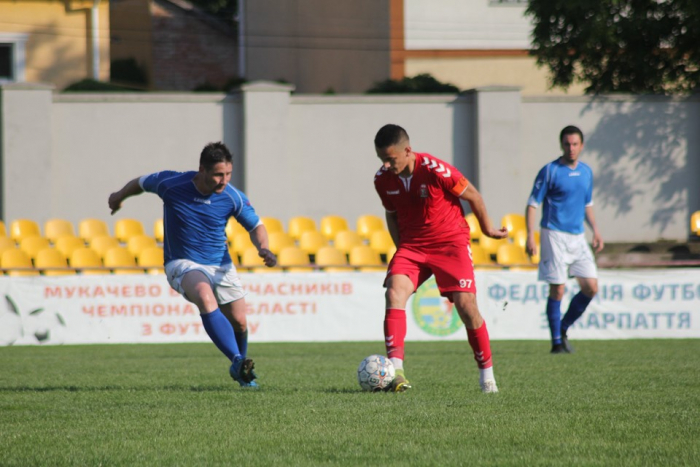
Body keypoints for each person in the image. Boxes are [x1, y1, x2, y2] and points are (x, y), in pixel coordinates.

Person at [108, 142, 277, 387]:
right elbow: (140, 182)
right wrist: (118, 196)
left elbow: (256, 226)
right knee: (204, 296)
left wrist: (264, 248)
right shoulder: (171, 183)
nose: (224, 180)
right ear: (202, 170)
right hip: (182, 262)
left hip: (220, 265)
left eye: (228, 174)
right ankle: (238, 360)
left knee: (239, 321)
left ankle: (242, 374)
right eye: (219, 174)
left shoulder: (232, 196)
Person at [373, 124, 508, 394]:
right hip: (413, 246)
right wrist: (402, 249)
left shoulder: (437, 170)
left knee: (466, 306)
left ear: (408, 151)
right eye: (382, 160)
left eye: (391, 159)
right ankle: (396, 372)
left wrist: (487, 229)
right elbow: (391, 214)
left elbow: (474, 197)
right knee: (394, 293)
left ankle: (487, 377)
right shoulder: (382, 179)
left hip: (450, 243)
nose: (386, 165)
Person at [525, 125, 604, 354]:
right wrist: (531, 235)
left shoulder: (587, 172)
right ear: (562, 145)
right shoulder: (550, 170)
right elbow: (532, 204)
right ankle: (556, 342)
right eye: (567, 144)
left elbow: (587, 204)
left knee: (591, 287)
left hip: (578, 237)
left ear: (581, 145)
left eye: (575, 144)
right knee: (558, 289)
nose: (571, 148)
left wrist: (596, 230)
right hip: (554, 234)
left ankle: (564, 326)